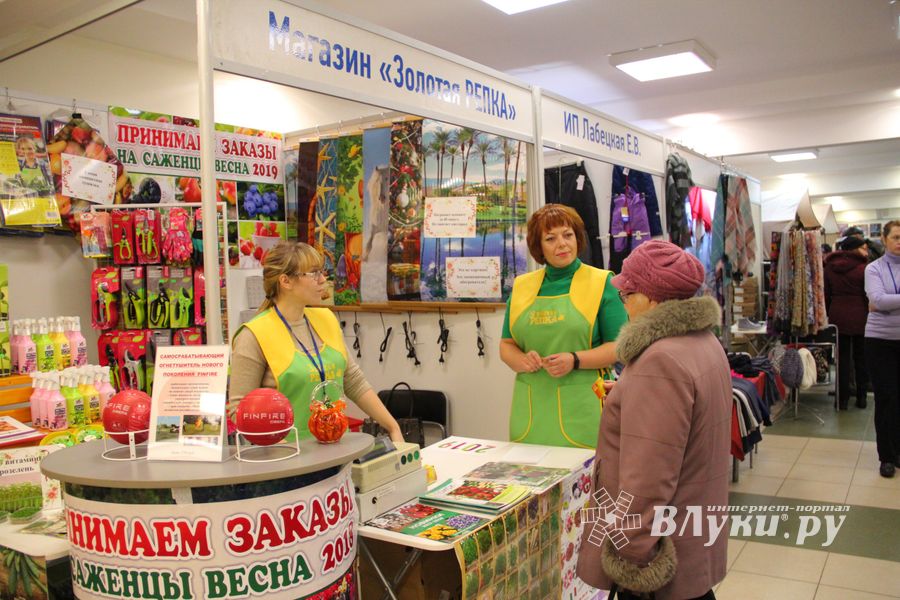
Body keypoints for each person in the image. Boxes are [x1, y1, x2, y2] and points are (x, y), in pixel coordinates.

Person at [576, 240, 730, 600]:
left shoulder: (660, 361)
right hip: (692, 536)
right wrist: (632, 394)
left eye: (629, 293)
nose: (623, 301)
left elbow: (648, 480)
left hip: (659, 556)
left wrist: (632, 557)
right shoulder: (702, 342)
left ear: (655, 298)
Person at [229, 241, 403, 443]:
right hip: (287, 461)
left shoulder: (326, 319)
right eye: (313, 273)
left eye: (322, 271)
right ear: (286, 281)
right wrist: (281, 448)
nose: (323, 279)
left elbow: (353, 381)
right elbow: (240, 408)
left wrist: (393, 427)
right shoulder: (254, 334)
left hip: (336, 453)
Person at [499, 204, 627, 448]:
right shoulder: (522, 286)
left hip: (585, 408)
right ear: (539, 247)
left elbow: (619, 347)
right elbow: (506, 345)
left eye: (568, 235)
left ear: (578, 238)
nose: (562, 244)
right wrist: (521, 360)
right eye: (550, 238)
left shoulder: (602, 282)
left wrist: (574, 359)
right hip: (531, 411)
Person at [863, 220, 900, 478]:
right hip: (879, 342)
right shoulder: (873, 268)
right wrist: (883, 302)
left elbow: (885, 302)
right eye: (896, 237)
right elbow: (877, 300)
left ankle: (898, 451)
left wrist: (889, 302)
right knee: (885, 399)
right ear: (885, 240)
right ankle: (886, 456)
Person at [824, 236, 870, 410]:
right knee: (861, 358)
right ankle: (861, 398)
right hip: (860, 315)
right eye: (862, 246)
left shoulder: (830, 266)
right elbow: (868, 295)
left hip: (838, 315)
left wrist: (829, 314)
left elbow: (826, 294)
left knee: (842, 360)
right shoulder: (864, 268)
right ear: (855, 249)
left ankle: (842, 400)